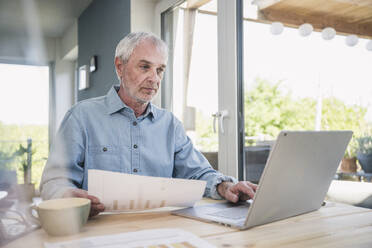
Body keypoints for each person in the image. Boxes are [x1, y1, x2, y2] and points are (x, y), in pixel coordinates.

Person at [40, 32, 257, 217]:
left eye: (160, 70)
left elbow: (198, 173)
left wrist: (225, 186)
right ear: (120, 67)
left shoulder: (170, 124)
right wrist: (67, 197)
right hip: (100, 230)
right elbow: (54, 182)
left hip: (161, 227)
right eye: (145, 67)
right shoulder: (81, 117)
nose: (154, 79)